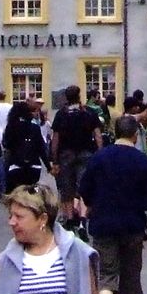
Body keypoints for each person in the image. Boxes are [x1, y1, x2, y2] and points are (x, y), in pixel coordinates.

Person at [78, 115, 147, 294]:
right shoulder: (143, 162)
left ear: (115, 132)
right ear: (135, 136)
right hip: (132, 227)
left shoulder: (99, 158)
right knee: (131, 276)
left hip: (103, 225)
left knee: (106, 274)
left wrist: (93, 204)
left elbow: (84, 189)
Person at [51, 85, 103, 228]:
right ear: (79, 96)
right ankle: (82, 218)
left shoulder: (61, 114)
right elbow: (97, 135)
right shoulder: (89, 113)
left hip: (66, 154)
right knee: (84, 186)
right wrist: (100, 153)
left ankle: (69, 218)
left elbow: (55, 138)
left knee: (67, 188)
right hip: (86, 153)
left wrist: (54, 158)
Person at [2, 99, 49, 192]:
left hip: (16, 165)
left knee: (14, 193)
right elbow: (41, 149)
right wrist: (49, 166)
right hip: (34, 166)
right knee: (31, 192)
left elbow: (6, 145)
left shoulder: (11, 127)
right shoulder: (35, 128)